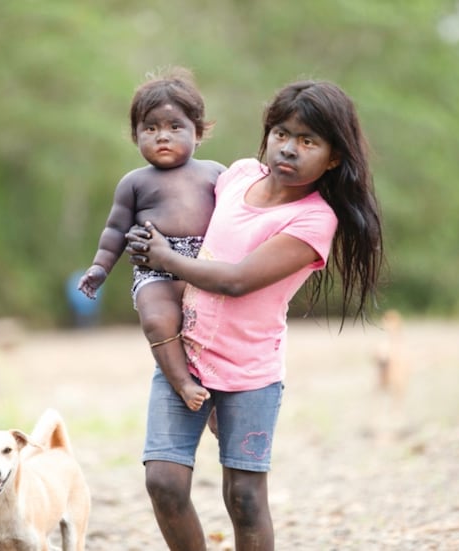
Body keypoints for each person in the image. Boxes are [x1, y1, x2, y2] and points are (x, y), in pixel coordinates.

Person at [126, 80, 384, 550]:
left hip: (250, 375)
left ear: (333, 158)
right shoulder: (238, 175)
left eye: (309, 141)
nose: (289, 148)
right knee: (163, 481)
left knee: (244, 498)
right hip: (187, 359)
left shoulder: (314, 220)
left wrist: (164, 258)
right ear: (267, 133)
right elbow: (181, 210)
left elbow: (237, 279)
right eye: (282, 133)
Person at [78, 67, 225, 411]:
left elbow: (238, 219)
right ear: (136, 135)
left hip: (204, 266)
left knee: (211, 333)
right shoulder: (135, 182)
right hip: (153, 269)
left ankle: (218, 399)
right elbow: (115, 230)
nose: (162, 136)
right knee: (157, 320)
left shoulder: (216, 174)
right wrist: (100, 267)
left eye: (175, 127)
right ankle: (182, 384)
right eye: (151, 128)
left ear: (198, 132)